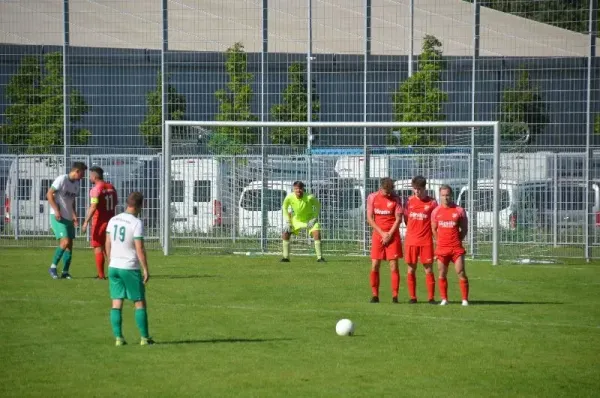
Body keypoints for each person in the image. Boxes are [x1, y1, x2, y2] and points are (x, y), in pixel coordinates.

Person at [105, 192, 153, 346]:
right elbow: (139, 248)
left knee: (116, 302)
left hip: (114, 266)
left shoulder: (113, 219)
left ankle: (119, 338)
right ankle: (145, 338)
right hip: (129, 267)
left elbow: (107, 242)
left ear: (127, 203)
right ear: (140, 205)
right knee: (139, 302)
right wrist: (145, 268)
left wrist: (110, 260)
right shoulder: (136, 222)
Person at [46, 161, 88, 279]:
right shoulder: (62, 179)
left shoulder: (76, 184)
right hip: (58, 217)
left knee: (69, 245)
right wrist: (56, 210)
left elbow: (72, 201)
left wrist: (74, 215)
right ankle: (53, 267)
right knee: (64, 242)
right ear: (77, 171)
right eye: (82, 174)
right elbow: (49, 194)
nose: (83, 177)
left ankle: (65, 272)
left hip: (68, 217)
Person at [431, 185, 470, 306]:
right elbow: (433, 229)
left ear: (451, 195)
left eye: (447, 195)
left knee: (460, 271)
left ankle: (464, 299)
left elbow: (464, 229)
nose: (445, 197)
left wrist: (458, 240)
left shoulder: (459, 210)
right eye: (443, 195)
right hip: (442, 248)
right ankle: (444, 299)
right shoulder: (436, 211)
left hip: (456, 248)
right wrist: (439, 241)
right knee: (442, 273)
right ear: (440, 196)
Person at [366, 177, 403, 303]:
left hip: (392, 235)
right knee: (375, 264)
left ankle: (395, 296)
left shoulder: (396, 199)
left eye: (390, 191)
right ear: (380, 188)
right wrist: (382, 233)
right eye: (386, 191)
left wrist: (389, 234)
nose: (388, 194)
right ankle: (375, 295)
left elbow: (398, 219)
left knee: (393, 265)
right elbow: (370, 218)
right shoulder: (372, 197)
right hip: (378, 235)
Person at [403, 175, 438, 304]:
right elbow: (406, 220)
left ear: (424, 188)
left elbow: (435, 221)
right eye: (414, 189)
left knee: (428, 269)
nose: (416, 191)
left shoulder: (432, 203)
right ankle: (413, 297)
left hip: (426, 241)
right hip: (411, 241)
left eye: (419, 189)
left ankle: (431, 298)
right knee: (411, 269)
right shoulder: (409, 201)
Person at [81, 166, 118, 280]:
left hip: (100, 221)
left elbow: (93, 207)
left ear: (95, 176)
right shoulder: (112, 187)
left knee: (98, 247)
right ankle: (114, 274)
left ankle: (101, 275)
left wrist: (86, 221)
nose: (89, 178)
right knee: (109, 249)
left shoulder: (96, 189)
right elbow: (115, 202)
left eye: (90, 175)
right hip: (111, 221)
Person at [280, 181, 324, 262]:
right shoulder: (289, 197)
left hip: (310, 219)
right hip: (297, 220)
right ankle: (285, 257)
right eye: (296, 189)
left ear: (303, 189)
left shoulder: (310, 197)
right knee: (285, 233)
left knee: (317, 234)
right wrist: (288, 222)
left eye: (300, 188)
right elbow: (284, 208)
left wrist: (314, 218)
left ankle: (320, 257)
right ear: (293, 189)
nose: (298, 190)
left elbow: (318, 206)